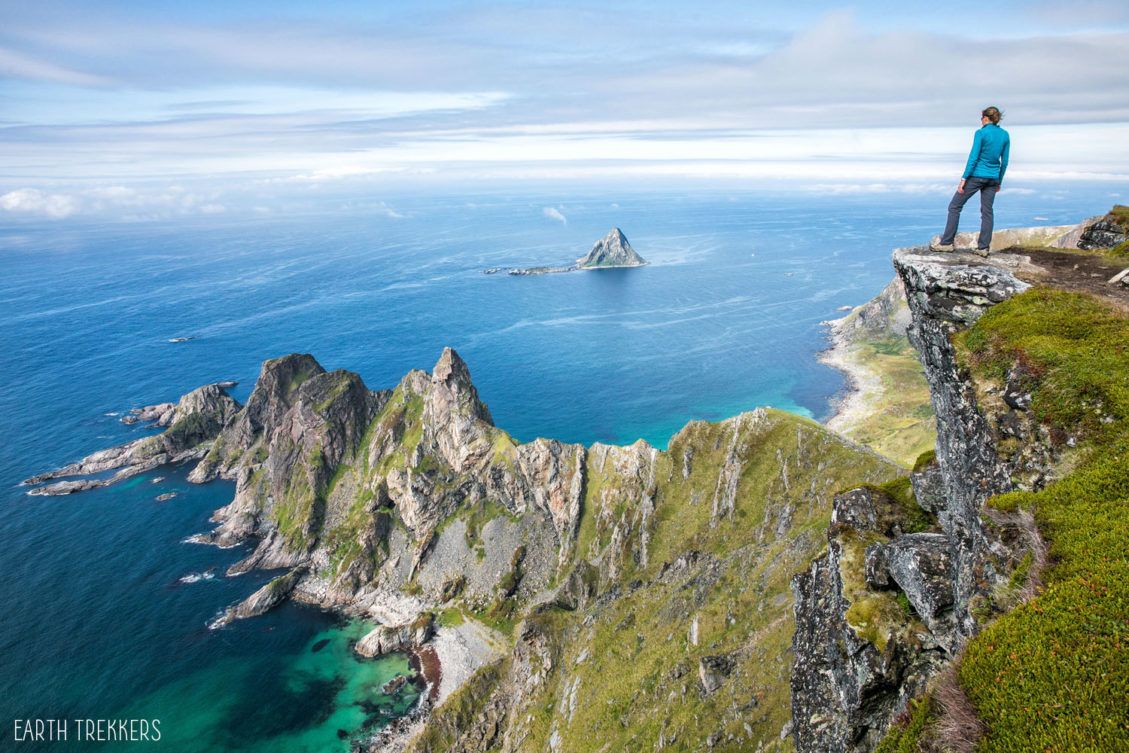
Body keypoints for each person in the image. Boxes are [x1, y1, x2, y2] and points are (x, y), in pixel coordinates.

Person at [931, 106, 1010, 256]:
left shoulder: (981, 133)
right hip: (993, 178)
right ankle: (983, 248)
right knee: (987, 212)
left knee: (954, 206)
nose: (980, 120)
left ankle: (947, 243)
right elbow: (1004, 161)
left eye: (981, 118)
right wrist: (999, 180)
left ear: (986, 118)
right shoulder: (1005, 135)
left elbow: (973, 157)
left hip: (977, 175)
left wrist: (964, 179)